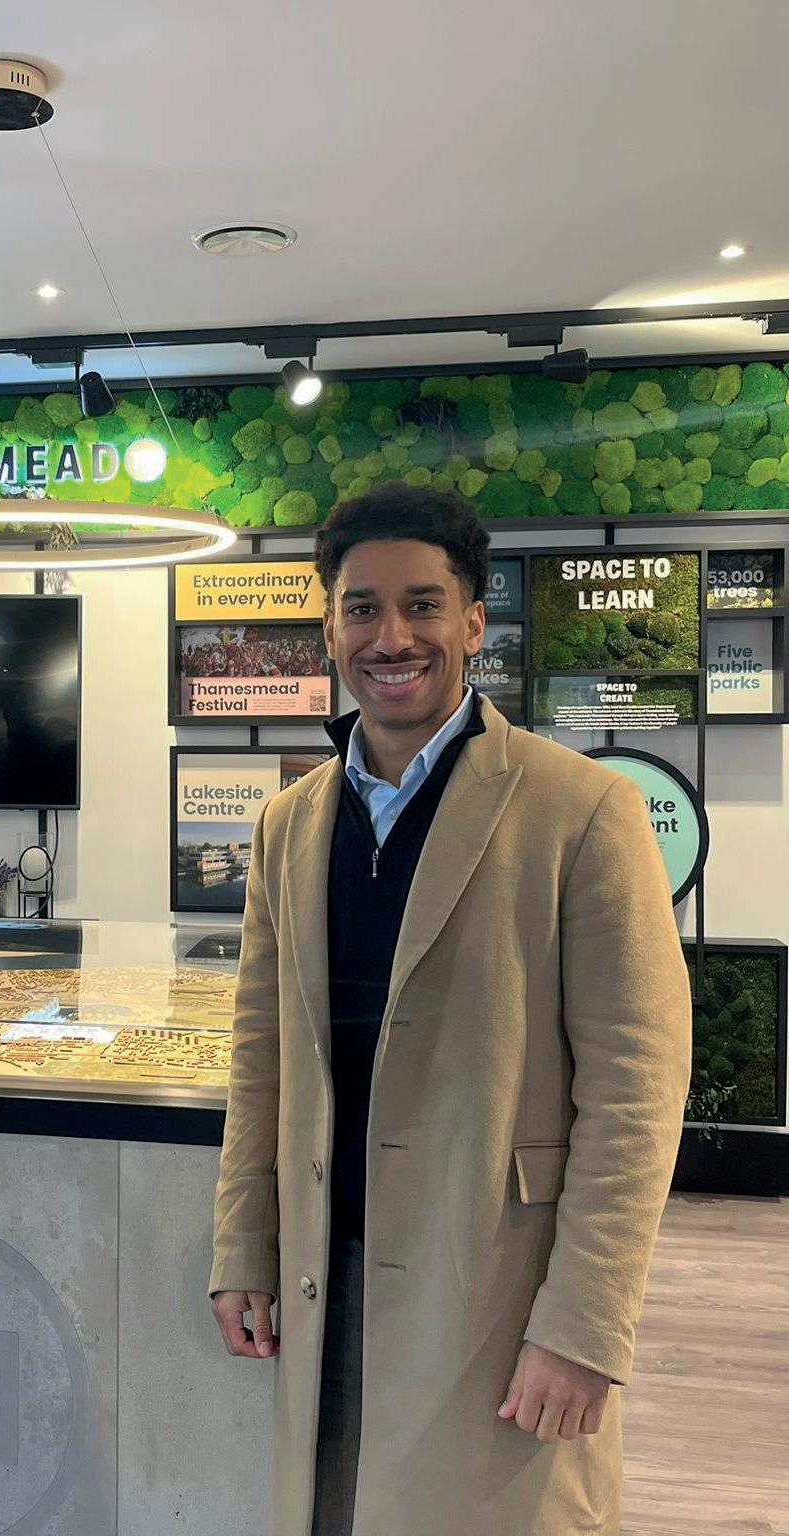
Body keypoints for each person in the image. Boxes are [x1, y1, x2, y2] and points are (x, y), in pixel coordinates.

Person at [207, 482, 690, 1536]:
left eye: (422, 605)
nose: (392, 637)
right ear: (328, 627)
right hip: (323, 1279)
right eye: (362, 608)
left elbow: (637, 1092)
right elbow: (261, 1058)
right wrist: (242, 1244)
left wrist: (585, 1324)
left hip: (496, 1284)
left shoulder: (582, 809)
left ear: (473, 623)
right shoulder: (289, 823)